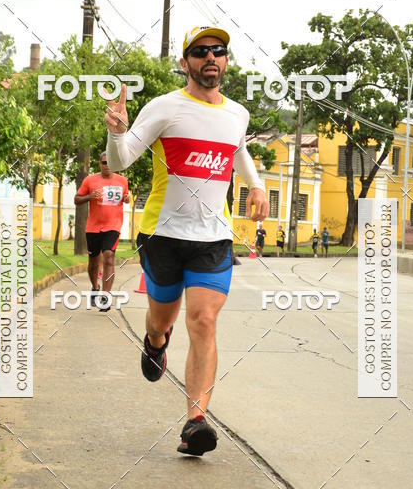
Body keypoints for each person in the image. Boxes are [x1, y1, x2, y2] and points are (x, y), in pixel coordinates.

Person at [104, 25, 269, 456]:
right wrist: (117, 131)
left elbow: (236, 150)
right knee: (162, 319)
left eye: (218, 51)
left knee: (204, 320)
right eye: (200, 52)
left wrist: (257, 186)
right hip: (162, 234)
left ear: (226, 61)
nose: (210, 57)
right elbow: (122, 159)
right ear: (186, 62)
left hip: (213, 236)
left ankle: (196, 421)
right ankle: (156, 342)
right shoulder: (165, 107)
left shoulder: (237, 114)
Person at [74, 151, 129, 310]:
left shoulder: (122, 181)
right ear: (100, 164)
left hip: (113, 226)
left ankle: (105, 296)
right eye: (104, 163)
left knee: (109, 256)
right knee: (93, 262)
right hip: (93, 227)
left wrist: (127, 198)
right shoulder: (90, 180)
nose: (107, 166)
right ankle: (95, 287)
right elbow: (77, 199)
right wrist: (90, 196)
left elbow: (126, 197)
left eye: (110, 162)